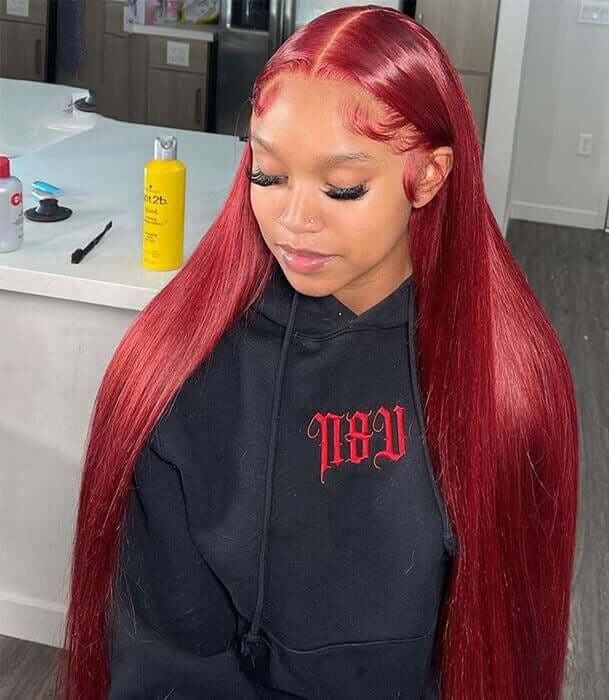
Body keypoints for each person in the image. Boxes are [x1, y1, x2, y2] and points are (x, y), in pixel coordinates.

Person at [56, 5, 579, 699]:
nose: (295, 220)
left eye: (342, 188)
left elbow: (496, 653)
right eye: (268, 176)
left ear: (428, 175)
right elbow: (165, 661)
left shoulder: (505, 380)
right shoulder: (183, 373)